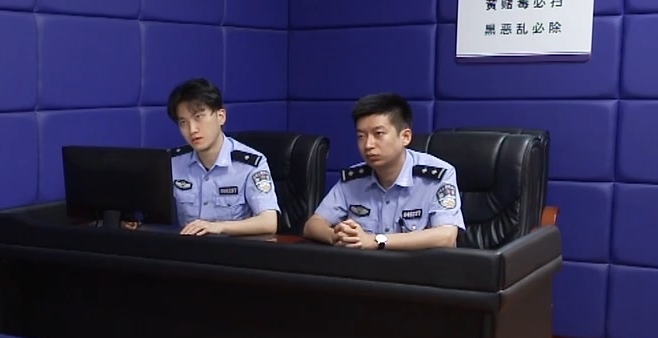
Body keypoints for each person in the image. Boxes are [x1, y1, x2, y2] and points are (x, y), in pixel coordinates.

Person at [302, 92, 464, 250]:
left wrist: (376, 241)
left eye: (378, 134)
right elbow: (313, 225)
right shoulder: (353, 179)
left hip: (419, 267)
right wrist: (339, 237)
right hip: (365, 267)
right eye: (361, 136)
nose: (368, 145)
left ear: (405, 137)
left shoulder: (438, 176)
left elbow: (446, 236)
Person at [165, 78, 280, 236]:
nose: (192, 129)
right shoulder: (172, 162)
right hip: (187, 249)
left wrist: (219, 227)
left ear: (221, 117)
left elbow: (269, 222)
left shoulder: (251, 164)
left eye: (198, 117)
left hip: (233, 248)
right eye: (183, 122)